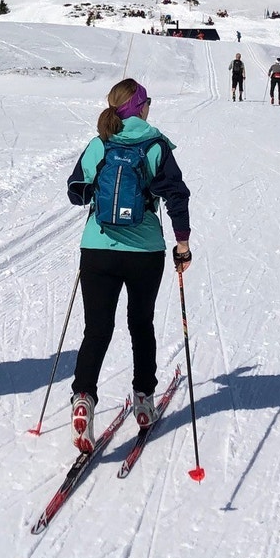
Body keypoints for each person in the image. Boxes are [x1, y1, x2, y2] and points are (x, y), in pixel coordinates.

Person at [65, 79, 192, 452]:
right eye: (147, 101)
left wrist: (99, 195)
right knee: (141, 324)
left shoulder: (100, 143)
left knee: (97, 329)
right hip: (145, 252)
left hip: (97, 249)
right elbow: (176, 195)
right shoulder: (155, 144)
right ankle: (143, 401)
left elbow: (76, 190)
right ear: (139, 107)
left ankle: (84, 399)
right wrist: (182, 243)